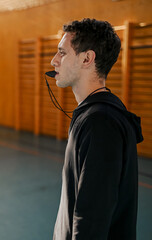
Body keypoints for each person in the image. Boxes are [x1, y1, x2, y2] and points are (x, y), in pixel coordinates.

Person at [50, 18, 143, 240]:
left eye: (62, 53)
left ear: (87, 59)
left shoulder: (101, 123)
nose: (54, 61)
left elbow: (91, 218)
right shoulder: (94, 113)